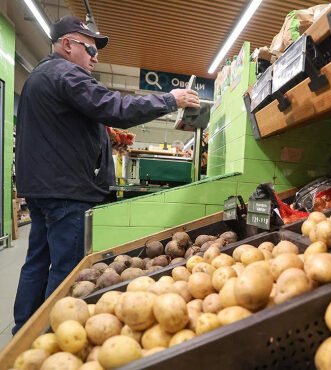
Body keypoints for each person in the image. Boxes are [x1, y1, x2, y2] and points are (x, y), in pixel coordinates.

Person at [13, 15, 199, 335]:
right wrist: (171, 99)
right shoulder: (66, 73)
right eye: (89, 48)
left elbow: (63, 128)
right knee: (66, 269)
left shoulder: (41, 75)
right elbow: (116, 107)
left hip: (45, 189)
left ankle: (24, 331)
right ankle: (51, 336)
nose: (95, 58)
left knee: (36, 263)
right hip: (67, 192)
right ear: (67, 45)